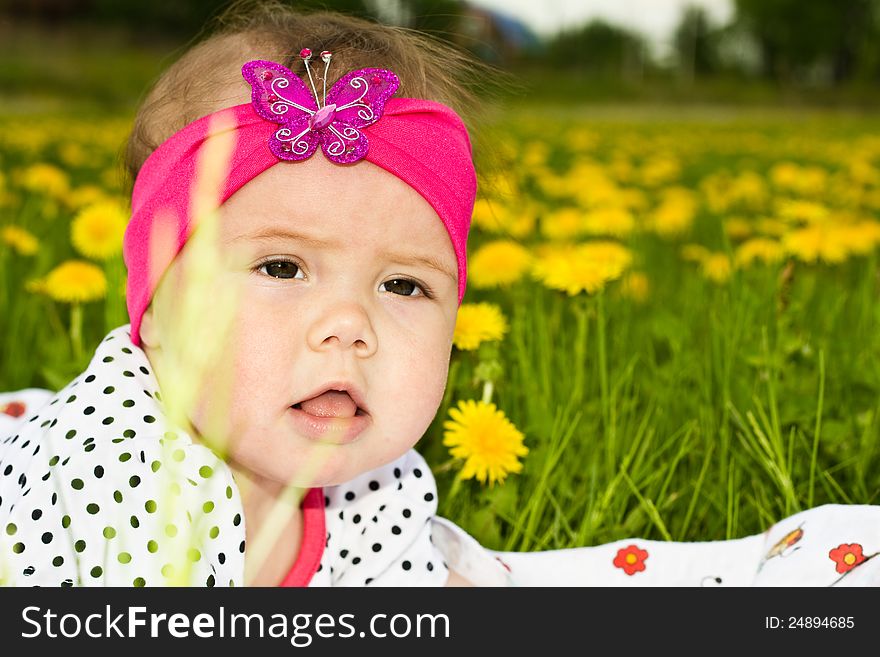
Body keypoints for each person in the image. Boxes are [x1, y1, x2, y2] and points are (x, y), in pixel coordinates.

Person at [2, 1, 879, 588]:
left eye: (403, 284)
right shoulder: (111, 483)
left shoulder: (378, 486)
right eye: (282, 267)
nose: (350, 326)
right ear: (155, 308)